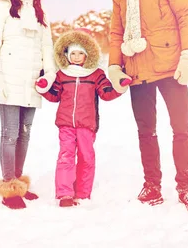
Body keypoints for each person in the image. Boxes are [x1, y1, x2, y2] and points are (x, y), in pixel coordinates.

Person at [105, 0, 188, 214]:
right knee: (145, 131)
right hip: (137, 70)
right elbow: (116, 32)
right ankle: (152, 185)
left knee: (181, 129)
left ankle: (186, 187)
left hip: (170, 65)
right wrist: (114, 65)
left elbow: (187, 14)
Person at [0, 0, 56, 210]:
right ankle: (9, 187)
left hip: (31, 80)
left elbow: (47, 44)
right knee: (10, 133)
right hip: (9, 76)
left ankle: (19, 182)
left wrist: (49, 72)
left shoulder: (40, 10)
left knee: (25, 135)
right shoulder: (2, 5)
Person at [35, 28, 123, 207]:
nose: (75, 57)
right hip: (65, 124)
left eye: (80, 53)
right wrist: (43, 87)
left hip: (87, 124)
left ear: (87, 55)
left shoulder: (96, 74)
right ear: (66, 54)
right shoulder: (62, 74)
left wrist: (120, 87)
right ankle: (65, 194)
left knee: (86, 157)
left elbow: (106, 93)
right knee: (66, 156)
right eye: (72, 53)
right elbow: (54, 95)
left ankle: (83, 193)